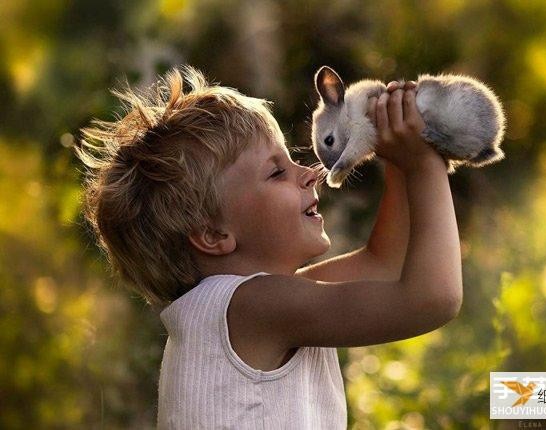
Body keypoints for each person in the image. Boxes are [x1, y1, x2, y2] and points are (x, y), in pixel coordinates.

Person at [74, 65, 463, 429]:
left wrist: (393, 153)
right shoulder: (251, 307)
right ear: (212, 235)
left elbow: (386, 265)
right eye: (277, 172)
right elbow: (433, 299)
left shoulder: (257, 303)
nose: (309, 173)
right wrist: (424, 166)